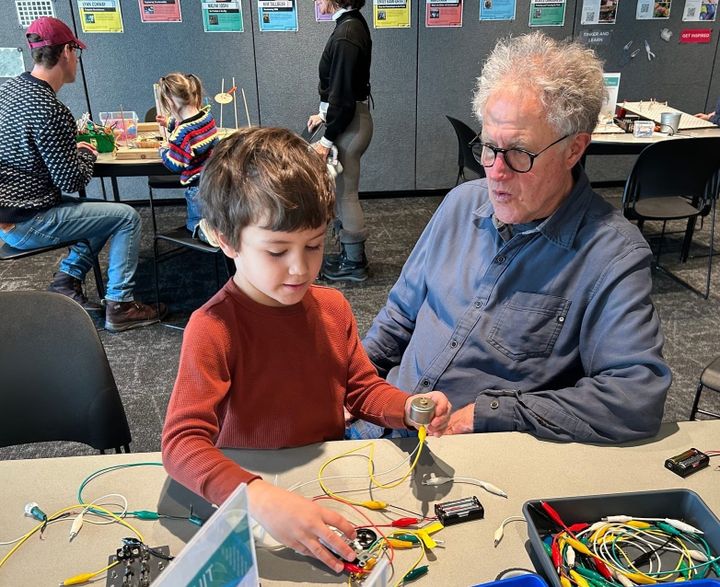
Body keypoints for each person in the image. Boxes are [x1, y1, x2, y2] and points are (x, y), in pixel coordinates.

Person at [161, 127, 451, 572]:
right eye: (277, 251)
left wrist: (408, 407)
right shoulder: (213, 328)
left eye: (314, 245)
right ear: (225, 238)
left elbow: (361, 389)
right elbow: (181, 444)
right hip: (251, 491)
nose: (301, 268)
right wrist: (256, 496)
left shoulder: (332, 307)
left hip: (322, 477)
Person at [361, 32, 672, 444]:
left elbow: (634, 397)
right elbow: (399, 318)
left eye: (519, 153)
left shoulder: (610, 255)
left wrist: (492, 414)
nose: (495, 172)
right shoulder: (459, 205)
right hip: (377, 425)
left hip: (469, 460)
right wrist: (351, 382)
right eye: (489, 147)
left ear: (574, 150)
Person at [0, 16, 165, 332]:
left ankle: (66, 280)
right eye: (77, 52)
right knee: (126, 217)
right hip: (28, 221)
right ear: (65, 52)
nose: (76, 60)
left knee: (100, 213)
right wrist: (86, 151)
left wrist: (68, 144)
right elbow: (72, 181)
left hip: (8, 215)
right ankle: (120, 305)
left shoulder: (10, 90)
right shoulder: (50, 108)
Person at [307, 0, 373, 282]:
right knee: (343, 192)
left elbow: (344, 97)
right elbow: (339, 86)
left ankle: (354, 264)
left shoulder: (347, 33)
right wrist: (323, 114)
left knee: (346, 194)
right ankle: (351, 256)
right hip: (348, 120)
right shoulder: (349, 25)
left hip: (350, 125)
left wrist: (326, 140)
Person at [156, 72, 218, 244]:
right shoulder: (206, 117)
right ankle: (216, 227)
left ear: (169, 102)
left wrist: (162, 151)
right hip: (213, 180)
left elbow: (175, 164)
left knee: (194, 222)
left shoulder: (181, 134)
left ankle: (204, 230)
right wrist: (168, 123)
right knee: (213, 214)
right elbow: (191, 129)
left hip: (196, 188)